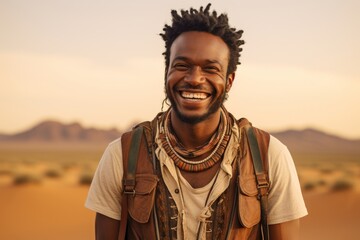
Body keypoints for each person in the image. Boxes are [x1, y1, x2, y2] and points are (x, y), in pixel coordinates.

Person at [85, 3, 308, 240]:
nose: (194, 79)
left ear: (229, 81)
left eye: (210, 69)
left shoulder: (268, 156)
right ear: (166, 73)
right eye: (182, 66)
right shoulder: (122, 154)